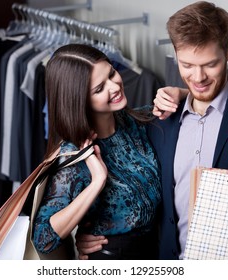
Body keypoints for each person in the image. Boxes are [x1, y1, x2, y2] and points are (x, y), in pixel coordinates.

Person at [75, 1, 228, 260]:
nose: (198, 77)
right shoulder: (159, 119)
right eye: (187, 65)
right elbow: (136, 191)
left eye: (209, 64)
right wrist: (93, 235)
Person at [32, 43, 168, 260]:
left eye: (112, 74)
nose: (114, 87)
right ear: (79, 101)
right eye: (99, 89)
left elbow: (186, 107)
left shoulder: (135, 123)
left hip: (157, 251)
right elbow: (43, 237)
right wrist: (97, 181)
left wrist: (178, 93)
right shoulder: (76, 155)